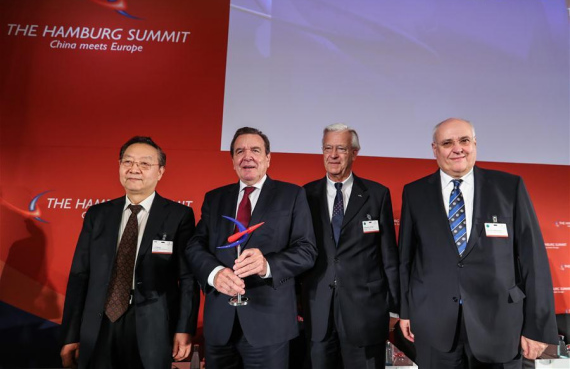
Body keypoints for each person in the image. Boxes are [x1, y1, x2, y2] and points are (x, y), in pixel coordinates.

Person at [398, 118, 558, 369]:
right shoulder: (414, 193)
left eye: (464, 140)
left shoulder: (509, 187)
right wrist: (405, 311)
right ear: (435, 149)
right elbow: (406, 259)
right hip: (435, 326)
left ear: (475, 144)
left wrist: (537, 327)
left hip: (500, 326)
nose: (457, 148)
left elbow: (533, 260)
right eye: (447, 142)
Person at [60, 136, 200, 369]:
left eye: (145, 164)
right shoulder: (98, 215)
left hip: (153, 325)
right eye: (128, 162)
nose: (134, 169)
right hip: (99, 323)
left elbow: (187, 279)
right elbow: (79, 276)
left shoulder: (178, 216)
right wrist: (70, 334)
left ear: (160, 171)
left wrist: (184, 328)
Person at [186, 127, 317, 369]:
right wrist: (215, 274)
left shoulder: (292, 195)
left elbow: (306, 250)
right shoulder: (215, 198)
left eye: (255, 150)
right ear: (233, 161)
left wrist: (268, 264)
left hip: (269, 324)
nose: (247, 156)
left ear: (268, 158)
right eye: (240, 151)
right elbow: (196, 245)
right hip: (219, 326)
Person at [302, 123, 400, 369]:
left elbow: (388, 256)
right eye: (327, 148)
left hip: (365, 312)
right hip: (318, 310)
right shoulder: (304, 195)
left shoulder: (377, 195)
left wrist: (398, 308)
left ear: (354, 153)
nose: (333, 155)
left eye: (341, 149)